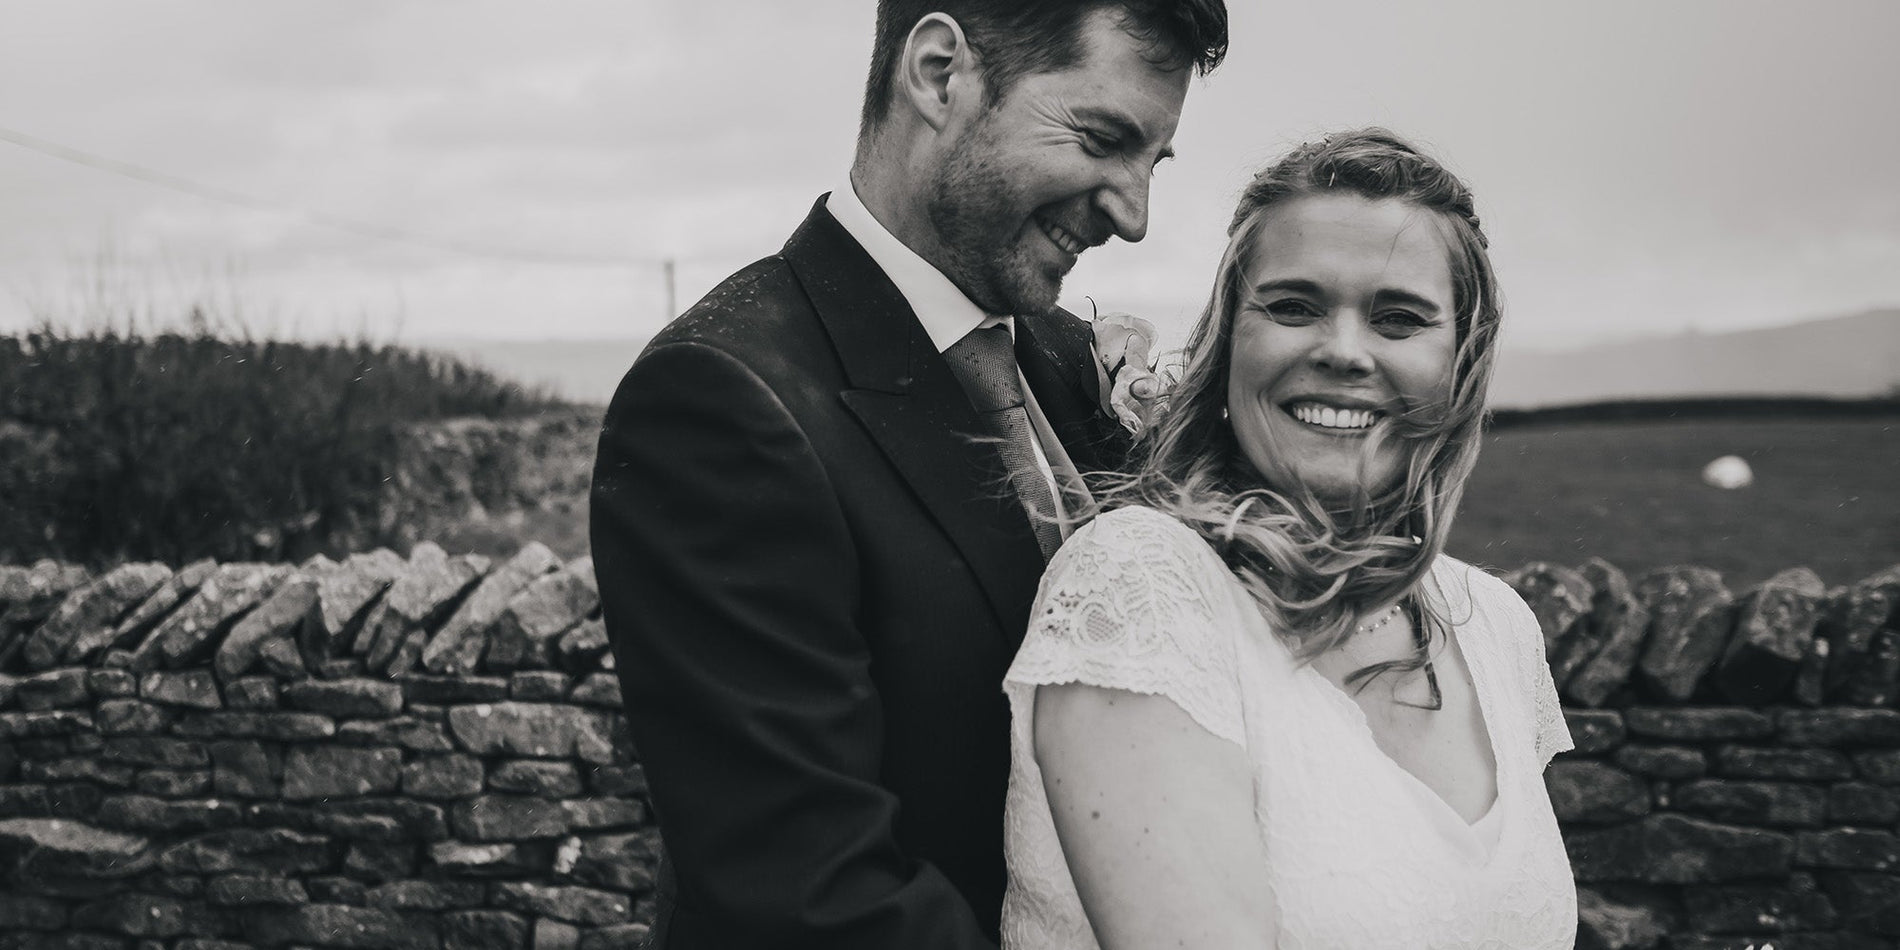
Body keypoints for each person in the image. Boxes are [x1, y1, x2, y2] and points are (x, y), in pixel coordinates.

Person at [590, 2, 1228, 946]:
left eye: (1151, 163)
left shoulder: (1062, 359)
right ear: (937, 73)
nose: (1133, 216)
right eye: (1102, 139)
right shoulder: (719, 400)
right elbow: (812, 893)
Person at [1002, 129, 1578, 948]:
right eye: (1294, 306)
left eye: (1399, 319)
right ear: (1230, 338)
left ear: (1463, 360)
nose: (1343, 351)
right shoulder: (1141, 588)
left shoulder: (1496, 627)